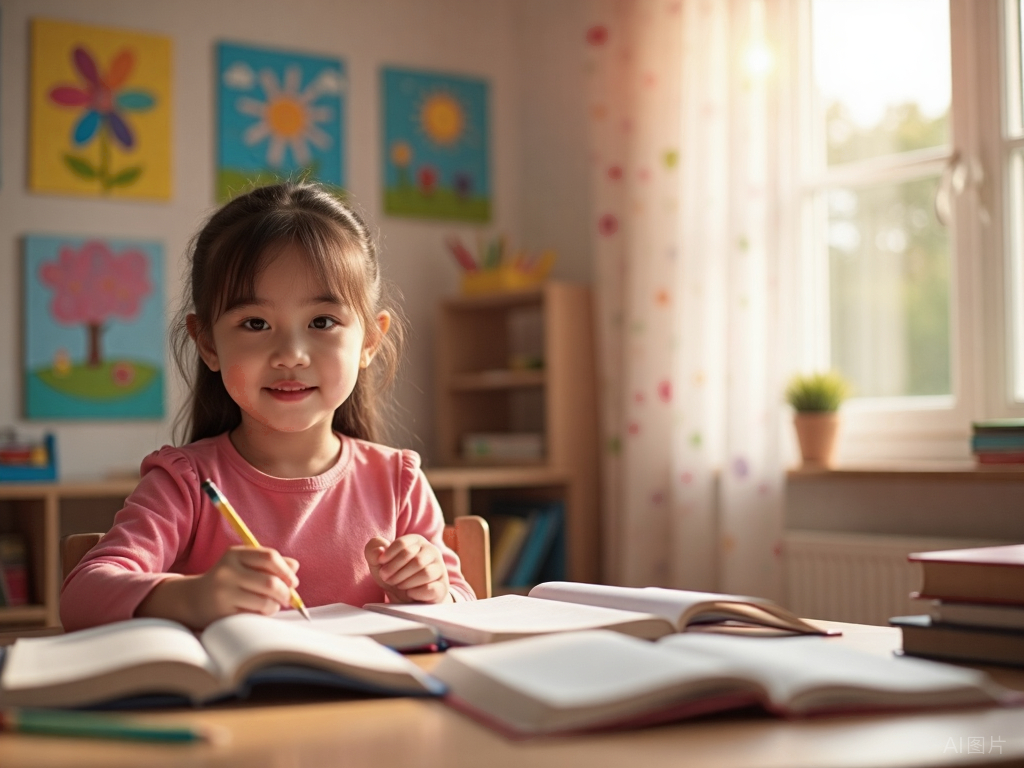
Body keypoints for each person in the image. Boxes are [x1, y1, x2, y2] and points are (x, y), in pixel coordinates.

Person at [60, 181, 474, 632]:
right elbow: (82, 594)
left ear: (369, 341)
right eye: (255, 323)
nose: (291, 354)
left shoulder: (398, 481)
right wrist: (193, 596)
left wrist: (434, 591)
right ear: (208, 343)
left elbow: (462, 602)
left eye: (322, 321)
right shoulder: (184, 483)